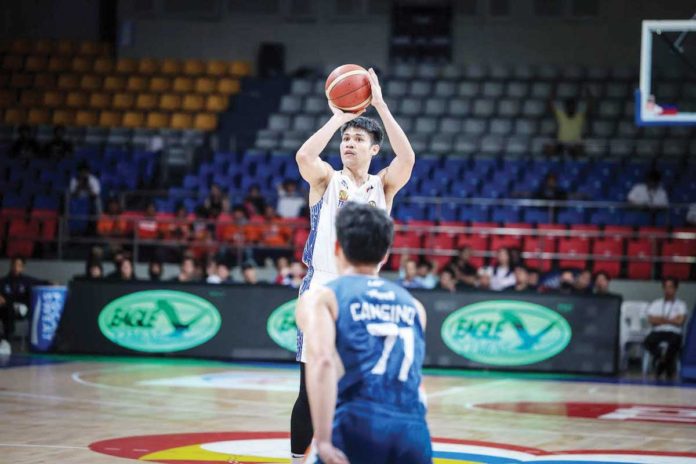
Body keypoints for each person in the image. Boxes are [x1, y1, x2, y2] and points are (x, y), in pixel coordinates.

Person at [291, 68, 416, 463]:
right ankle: (298, 459)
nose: (349, 142)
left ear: (374, 149)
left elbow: (408, 157)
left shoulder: (384, 186)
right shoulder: (327, 179)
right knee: (311, 389)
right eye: (346, 138)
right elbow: (304, 156)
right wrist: (339, 117)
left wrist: (378, 104)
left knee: (359, 388)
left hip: (364, 290)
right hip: (323, 288)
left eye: (358, 138)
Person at [296, 203, 431, 464]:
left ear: (337, 249)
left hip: (358, 422)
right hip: (413, 430)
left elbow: (322, 362)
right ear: (385, 255)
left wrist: (323, 441)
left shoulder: (323, 298)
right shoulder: (415, 306)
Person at [0, 257, 49, 352]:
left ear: (22, 267)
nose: (16, 267)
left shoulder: (26, 280)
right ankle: (3, 340)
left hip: (22, 309)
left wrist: (51, 283)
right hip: (6, 308)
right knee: (6, 309)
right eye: (14, 265)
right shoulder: (3, 281)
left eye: (18, 265)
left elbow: (41, 282)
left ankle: (7, 341)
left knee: (10, 309)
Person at [644, 277, 687, 380]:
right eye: (666, 287)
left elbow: (680, 321)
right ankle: (664, 361)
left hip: (674, 332)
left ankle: (661, 366)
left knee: (675, 343)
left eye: (671, 287)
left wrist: (662, 319)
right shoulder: (656, 303)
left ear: (676, 289)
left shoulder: (681, 305)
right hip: (658, 331)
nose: (668, 290)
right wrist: (671, 320)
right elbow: (652, 320)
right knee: (648, 341)